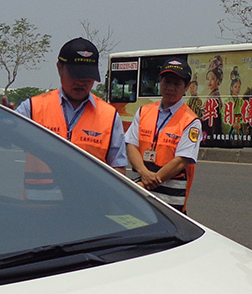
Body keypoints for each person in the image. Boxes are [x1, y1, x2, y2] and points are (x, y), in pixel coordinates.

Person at [17, 38, 126, 169]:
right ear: (59, 68)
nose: (80, 82)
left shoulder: (110, 116)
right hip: (41, 188)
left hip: (88, 190)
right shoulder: (32, 108)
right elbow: (3, 141)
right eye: (75, 75)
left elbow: (118, 167)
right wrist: (2, 121)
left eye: (87, 77)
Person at [124, 58, 202, 213]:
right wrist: (144, 173)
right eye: (167, 82)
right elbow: (131, 144)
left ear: (186, 87)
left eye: (177, 84)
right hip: (142, 194)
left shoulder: (191, 121)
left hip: (170, 200)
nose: (170, 88)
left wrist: (146, 183)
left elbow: (181, 161)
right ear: (160, 81)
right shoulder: (143, 111)